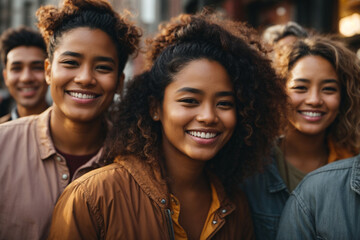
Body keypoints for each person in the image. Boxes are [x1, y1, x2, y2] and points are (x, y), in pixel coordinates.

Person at [47, 12, 286, 239]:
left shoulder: (235, 205)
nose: (208, 116)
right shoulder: (91, 197)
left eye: (224, 103)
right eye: (190, 101)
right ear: (155, 108)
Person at [0, 0, 141, 239]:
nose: (85, 78)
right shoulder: (3, 146)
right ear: (47, 71)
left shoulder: (136, 164)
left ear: (119, 83)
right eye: (70, 63)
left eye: (103, 67)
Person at [241, 35, 360, 240]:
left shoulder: (353, 168)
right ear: (278, 91)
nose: (314, 100)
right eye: (300, 88)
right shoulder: (250, 167)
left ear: (344, 97)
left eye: (329, 89)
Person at [0, 26, 49, 123]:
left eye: (37, 67)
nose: (26, 78)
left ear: (49, 73)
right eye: (16, 68)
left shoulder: (75, 133)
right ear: (5, 77)